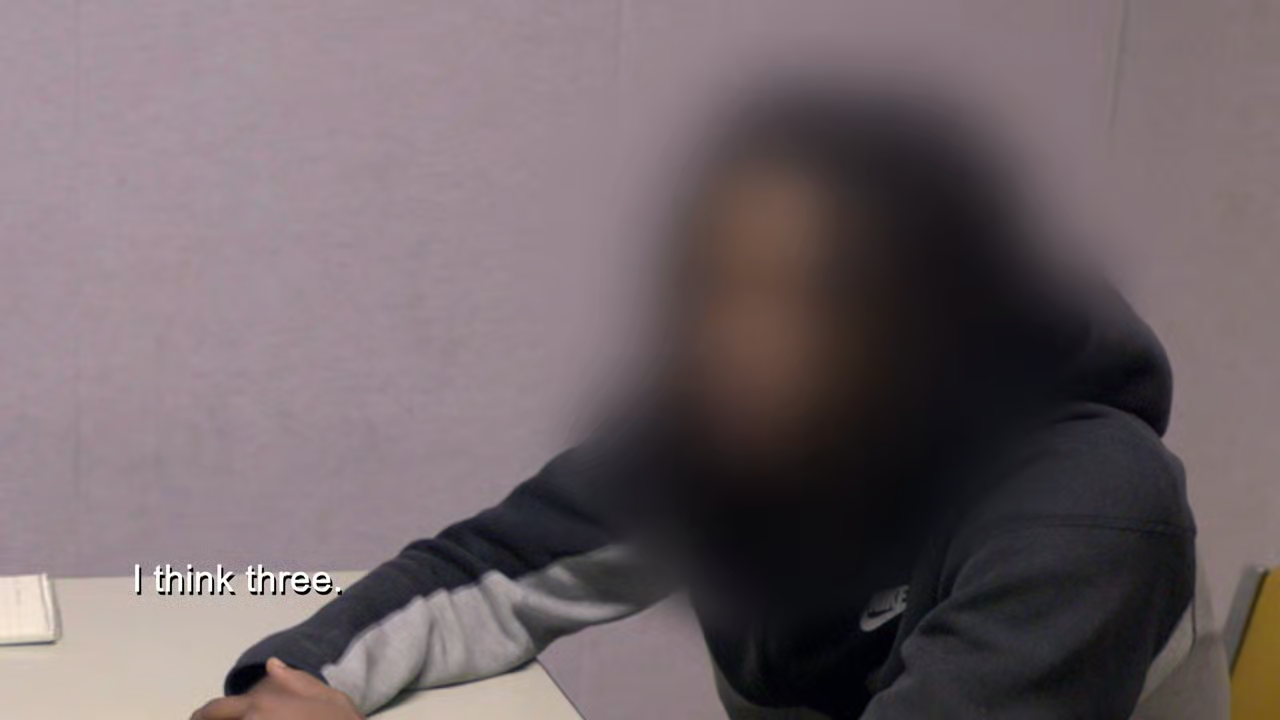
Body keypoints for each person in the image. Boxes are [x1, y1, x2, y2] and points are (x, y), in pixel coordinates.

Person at [192, 88, 1229, 720]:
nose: (727, 338)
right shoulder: (724, 423)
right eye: (717, 284)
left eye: (803, 294)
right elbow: (480, 576)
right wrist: (296, 682)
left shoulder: (1092, 506)